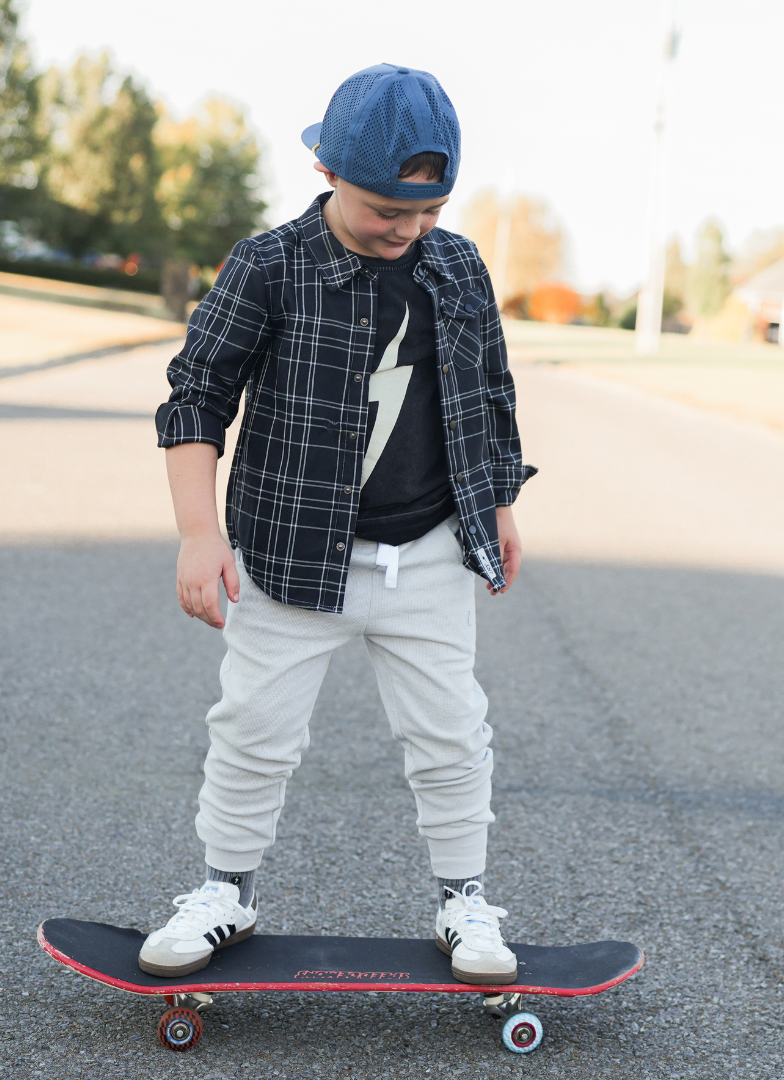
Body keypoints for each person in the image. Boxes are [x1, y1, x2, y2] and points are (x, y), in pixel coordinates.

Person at [142, 63, 535, 985]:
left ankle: (464, 900)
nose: (407, 228)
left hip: (431, 550)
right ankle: (225, 892)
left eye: (427, 210)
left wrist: (501, 508)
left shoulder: (459, 265)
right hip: (291, 555)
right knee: (254, 729)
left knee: (451, 732)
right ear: (327, 173)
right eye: (383, 209)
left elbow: (490, 392)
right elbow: (196, 397)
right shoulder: (269, 265)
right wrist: (200, 536)